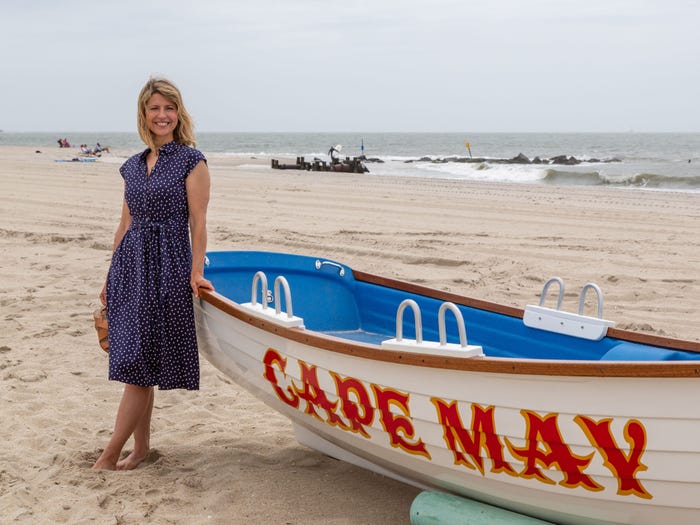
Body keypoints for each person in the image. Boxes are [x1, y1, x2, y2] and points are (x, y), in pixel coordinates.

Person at [92, 77, 214, 470]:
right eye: (155, 108)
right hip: (130, 269)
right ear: (144, 115)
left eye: (169, 108)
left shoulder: (192, 162)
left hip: (168, 269)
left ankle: (109, 455)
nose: (162, 115)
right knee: (135, 361)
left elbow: (198, 221)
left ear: (179, 114)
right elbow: (123, 226)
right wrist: (110, 278)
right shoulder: (132, 166)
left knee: (139, 365)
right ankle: (140, 448)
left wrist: (196, 272)